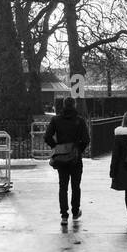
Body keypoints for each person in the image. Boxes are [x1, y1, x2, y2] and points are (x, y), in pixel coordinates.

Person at [44, 97, 91, 226]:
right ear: (74, 105)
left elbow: (47, 136)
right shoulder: (79, 121)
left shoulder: (56, 120)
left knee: (63, 187)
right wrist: (78, 150)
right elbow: (86, 139)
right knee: (76, 186)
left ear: (63, 105)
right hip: (75, 158)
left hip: (61, 157)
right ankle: (75, 212)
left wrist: (56, 147)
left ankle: (64, 215)